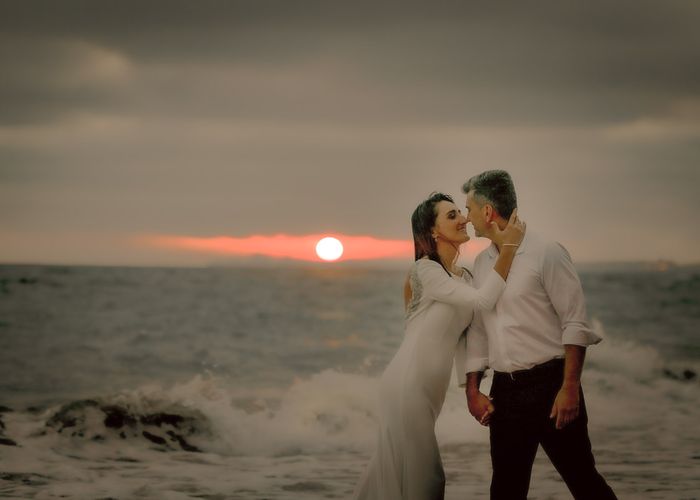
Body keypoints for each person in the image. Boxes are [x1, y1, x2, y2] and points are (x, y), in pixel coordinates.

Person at [353, 192, 525, 500]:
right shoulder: (425, 270)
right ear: (432, 232)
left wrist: (470, 390)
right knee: (428, 482)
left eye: (460, 212)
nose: (462, 219)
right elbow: (485, 299)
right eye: (451, 216)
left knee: (396, 478)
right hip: (406, 386)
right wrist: (509, 246)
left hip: (429, 393)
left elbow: (467, 337)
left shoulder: (466, 276)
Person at [462, 170, 617, 500]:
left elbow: (574, 323)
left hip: (552, 386)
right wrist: (473, 390)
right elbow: (478, 330)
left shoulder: (547, 252)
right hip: (505, 391)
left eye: (469, 208)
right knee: (505, 490)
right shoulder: (480, 263)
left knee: (583, 481)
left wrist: (570, 387)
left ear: (487, 211)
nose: (467, 217)